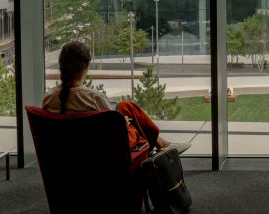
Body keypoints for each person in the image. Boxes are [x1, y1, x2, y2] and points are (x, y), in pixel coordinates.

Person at [44, 40, 188, 154]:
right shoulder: (95, 98)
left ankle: (162, 143)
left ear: (61, 65)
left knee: (126, 106)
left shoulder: (48, 98)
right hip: (103, 151)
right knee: (132, 123)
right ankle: (162, 145)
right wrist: (123, 124)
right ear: (87, 65)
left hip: (69, 150)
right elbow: (115, 134)